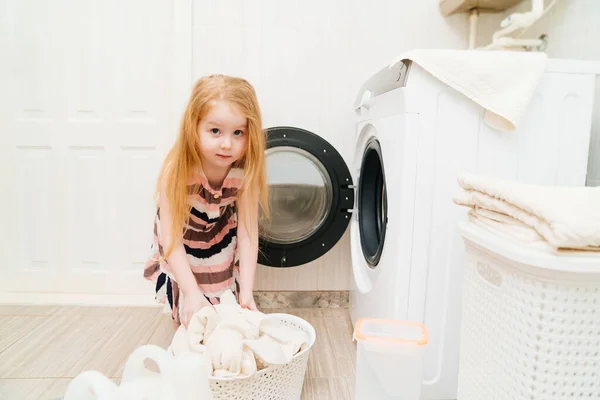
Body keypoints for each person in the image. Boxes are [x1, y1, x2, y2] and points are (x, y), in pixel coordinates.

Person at [143, 75, 269, 328]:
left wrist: (246, 292)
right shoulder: (177, 172)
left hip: (217, 236)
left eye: (238, 133)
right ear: (194, 127)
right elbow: (171, 239)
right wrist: (190, 292)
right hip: (180, 239)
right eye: (215, 131)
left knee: (224, 313)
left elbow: (247, 234)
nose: (226, 144)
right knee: (192, 315)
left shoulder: (245, 171)